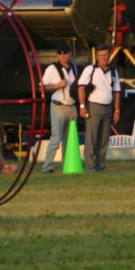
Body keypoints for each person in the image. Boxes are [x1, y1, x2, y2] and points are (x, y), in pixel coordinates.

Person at [77, 44, 121, 172]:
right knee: (91, 137)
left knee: (104, 138)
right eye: (100, 56)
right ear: (97, 56)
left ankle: (100, 165)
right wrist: (82, 106)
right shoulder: (90, 69)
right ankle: (90, 166)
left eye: (105, 55)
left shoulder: (113, 71)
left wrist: (117, 109)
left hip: (108, 107)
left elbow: (117, 91)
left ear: (109, 56)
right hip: (93, 106)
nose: (103, 58)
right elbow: (81, 88)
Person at [38, 43, 78, 173]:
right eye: (60, 53)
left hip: (72, 106)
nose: (63, 56)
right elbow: (42, 87)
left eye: (65, 53)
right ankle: (47, 166)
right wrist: (56, 85)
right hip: (58, 107)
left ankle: (67, 165)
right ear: (57, 55)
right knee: (56, 138)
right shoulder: (51, 68)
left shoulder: (74, 68)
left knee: (69, 139)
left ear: (69, 54)